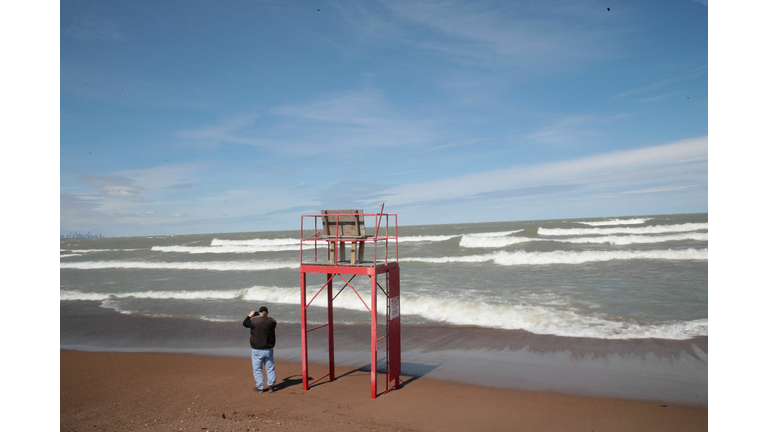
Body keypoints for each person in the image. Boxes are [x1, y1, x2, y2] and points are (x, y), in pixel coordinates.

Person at [243, 306, 277, 393]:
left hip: (257, 349)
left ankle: (260, 387)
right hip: (268, 348)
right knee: (270, 368)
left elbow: (245, 323)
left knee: (257, 369)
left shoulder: (254, 321)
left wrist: (250, 315)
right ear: (267, 313)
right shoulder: (272, 321)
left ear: (259, 313)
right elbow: (270, 322)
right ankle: (271, 385)